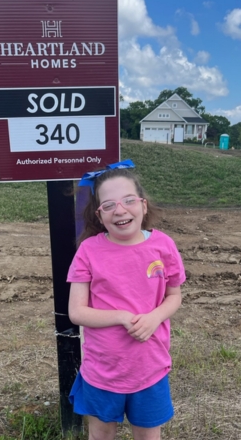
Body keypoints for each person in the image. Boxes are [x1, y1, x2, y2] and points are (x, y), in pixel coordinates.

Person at [67, 160, 186, 440]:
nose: (120, 210)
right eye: (108, 205)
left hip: (150, 368)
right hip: (102, 370)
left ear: (143, 205)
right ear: (99, 214)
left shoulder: (164, 245)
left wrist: (155, 317)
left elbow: (174, 295)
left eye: (128, 200)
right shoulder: (88, 250)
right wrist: (121, 316)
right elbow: (76, 312)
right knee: (101, 434)